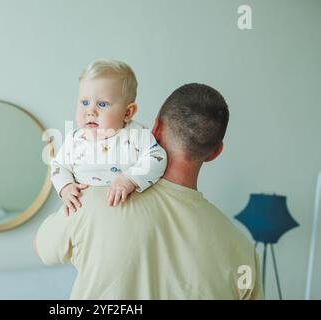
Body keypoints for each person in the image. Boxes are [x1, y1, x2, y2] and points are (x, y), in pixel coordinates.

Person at [35, 83, 263, 299]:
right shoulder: (243, 251)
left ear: (155, 129)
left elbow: (43, 248)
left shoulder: (94, 200)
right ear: (215, 152)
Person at [51, 59, 167, 216]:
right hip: (84, 215)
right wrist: (65, 187)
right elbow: (59, 166)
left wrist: (129, 179)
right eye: (84, 102)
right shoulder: (74, 139)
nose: (90, 111)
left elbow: (157, 157)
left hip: (127, 213)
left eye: (102, 104)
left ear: (128, 113)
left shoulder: (136, 135)